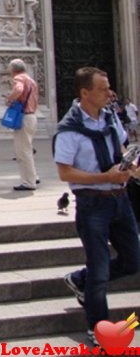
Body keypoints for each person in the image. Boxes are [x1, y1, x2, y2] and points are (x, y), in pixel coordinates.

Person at [55, 67, 140, 347]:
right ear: (85, 93)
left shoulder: (110, 118)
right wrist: (106, 177)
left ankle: (80, 280)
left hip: (120, 198)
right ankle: (98, 326)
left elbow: (121, 151)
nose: (109, 93)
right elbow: (66, 173)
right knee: (100, 268)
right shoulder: (69, 129)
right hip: (92, 203)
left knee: (133, 260)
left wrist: (131, 169)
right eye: (103, 89)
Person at [5, 59, 40, 190]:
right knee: (28, 149)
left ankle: (28, 182)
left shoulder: (18, 78)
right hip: (32, 116)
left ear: (13, 70)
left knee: (22, 152)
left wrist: (10, 98)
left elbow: (18, 90)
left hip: (23, 117)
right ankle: (33, 177)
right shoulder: (31, 80)